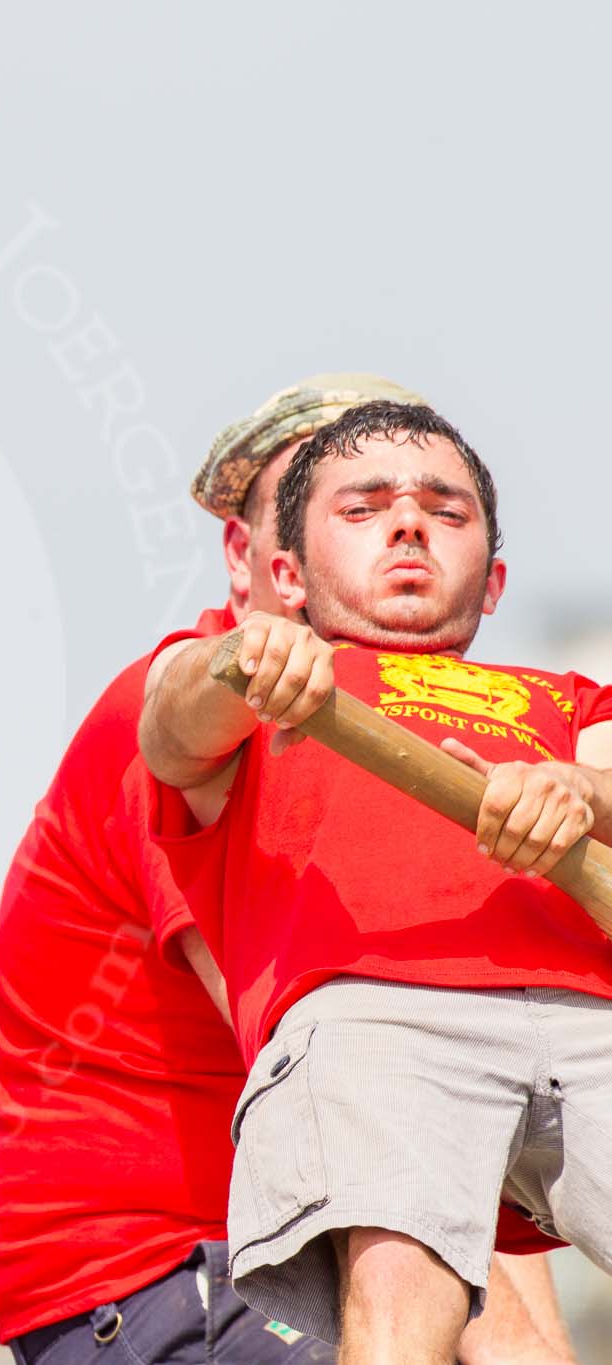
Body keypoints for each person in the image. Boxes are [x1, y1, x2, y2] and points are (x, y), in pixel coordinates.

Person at [141, 401, 612, 1361]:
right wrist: (238, 661)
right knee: (402, 1287)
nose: (408, 522)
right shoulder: (269, 691)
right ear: (286, 574)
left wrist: (580, 793)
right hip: (375, 1009)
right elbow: (170, 731)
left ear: (494, 582)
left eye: (445, 508)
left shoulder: (565, 701)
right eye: (364, 508)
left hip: (592, 1018)